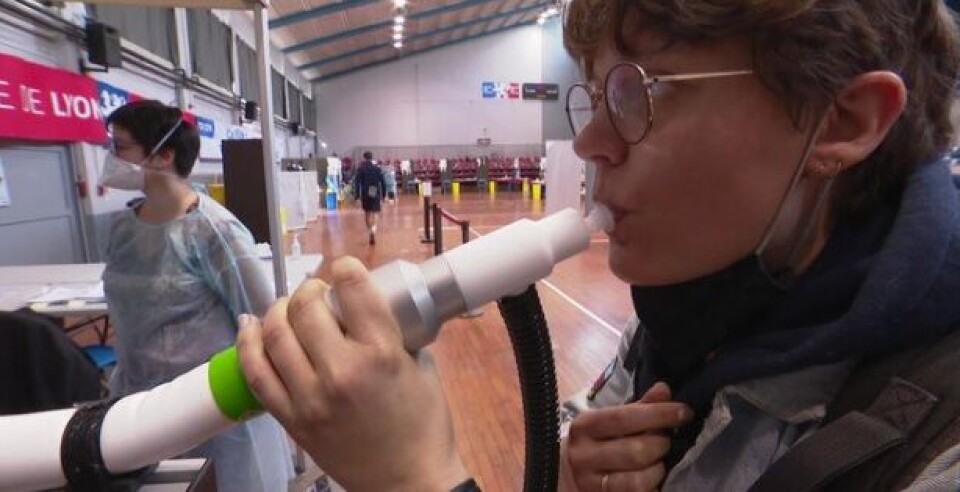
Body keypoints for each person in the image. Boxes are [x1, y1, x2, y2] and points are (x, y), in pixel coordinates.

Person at [236, 1, 960, 490]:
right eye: (597, 95)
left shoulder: (935, 440)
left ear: (840, 123)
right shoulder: (690, 312)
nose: (588, 143)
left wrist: (414, 477)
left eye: (642, 92)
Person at [100, 100, 293, 491]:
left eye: (120, 148)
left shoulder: (211, 230)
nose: (111, 158)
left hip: (210, 409)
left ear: (163, 155)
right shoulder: (123, 228)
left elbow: (262, 316)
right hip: (140, 407)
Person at [353, 150, 387, 244]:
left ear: (364, 158)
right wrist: (383, 195)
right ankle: (374, 229)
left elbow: (357, 183)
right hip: (374, 191)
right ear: (372, 158)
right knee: (375, 212)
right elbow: (383, 183)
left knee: (367, 213)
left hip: (365, 192)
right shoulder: (377, 168)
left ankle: (370, 231)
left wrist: (357, 196)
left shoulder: (361, 169)